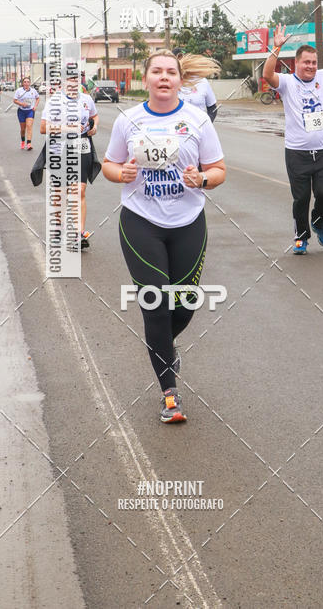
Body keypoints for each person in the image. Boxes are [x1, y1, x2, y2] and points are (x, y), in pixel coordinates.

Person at [102, 49, 225, 423]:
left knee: (184, 302)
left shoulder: (198, 119)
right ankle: (169, 393)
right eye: (157, 71)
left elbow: (218, 170)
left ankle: (165, 348)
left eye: (170, 72)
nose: (164, 77)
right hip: (141, 222)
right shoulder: (129, 119)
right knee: (155, 302)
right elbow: (109, 163)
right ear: (147, 78)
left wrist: (202, 179)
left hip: (188, 221)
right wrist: (118, 173)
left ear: (178, 79)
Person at [263, 23, 323, 254]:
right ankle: (301, 237)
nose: (311, 66)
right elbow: (267, 75)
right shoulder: (287, 82)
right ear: (297, 63)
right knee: (301, 199)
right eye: (306, 62)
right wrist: (276, 48)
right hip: (296, 153)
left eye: (314, 62)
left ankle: (319, 222)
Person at [40, 72, 98, 249]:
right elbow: (44, 128)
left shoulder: (86, 99)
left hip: (81, 146)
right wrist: (67, 127)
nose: (73, 83)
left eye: (76, 79)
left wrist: (93, 128)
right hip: (59, 148)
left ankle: (77, 234)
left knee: (79, 190)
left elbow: (94, 116)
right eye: (70, 79)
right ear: (64, 82)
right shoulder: (54, 101)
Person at [173, 49, 218, 122]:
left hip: (199, 130)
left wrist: (206, 124)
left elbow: (212, 108)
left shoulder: (202, 82)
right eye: (178, 60)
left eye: (183, 59)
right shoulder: (170, 82)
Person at [13, 77, 40, 150]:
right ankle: (22, 141)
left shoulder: (33, 91)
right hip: (21, 111)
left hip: (30, 111)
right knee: (23, 129)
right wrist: (21, 104)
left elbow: (38, 98)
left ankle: (29, 143)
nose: (26, 83)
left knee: (29, 126)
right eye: (25, 82)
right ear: (22, 83)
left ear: (30, 83)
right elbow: (15, 100)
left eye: (28, 82)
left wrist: (35, 106)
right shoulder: (19, 91)